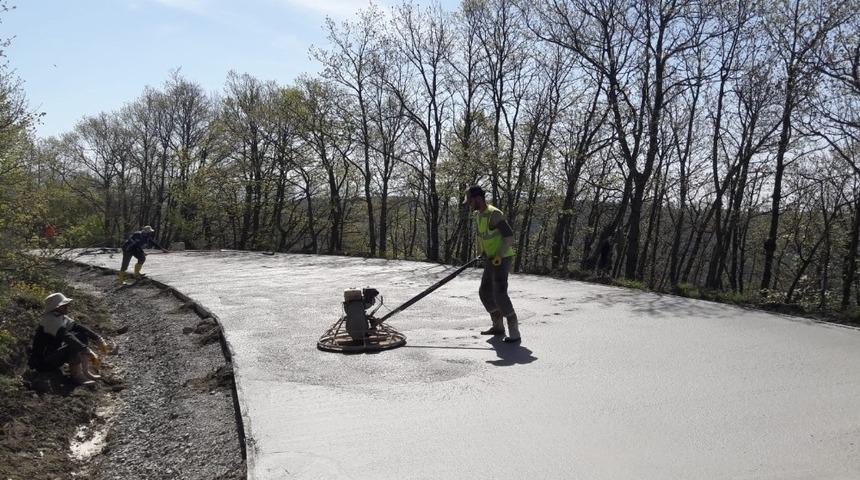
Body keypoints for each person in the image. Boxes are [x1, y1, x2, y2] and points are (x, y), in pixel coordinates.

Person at [463, 185, 521, 343]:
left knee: (499, 293)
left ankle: (514, 331)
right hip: (491, 258)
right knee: (484, 292)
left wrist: (499, 255)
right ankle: (498, 325)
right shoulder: (479, 215)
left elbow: (509, 237)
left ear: (478, 199)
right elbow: (484, 236)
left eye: (470, 201)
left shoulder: (494, 214)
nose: (469, 204)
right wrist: (482, 252)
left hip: (502, 258)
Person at [29, 293, 108, 386]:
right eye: (64, 305)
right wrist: (86, 350)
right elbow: (66, 336)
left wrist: (98, 339)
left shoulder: (60, 316)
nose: (67, 307)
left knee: (81, 335)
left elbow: (77, 327)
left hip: (52, 355)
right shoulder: (49, 320)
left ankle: (86, 371)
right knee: (73, 344)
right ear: (56, 307)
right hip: (44, 362)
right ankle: (76, 376)